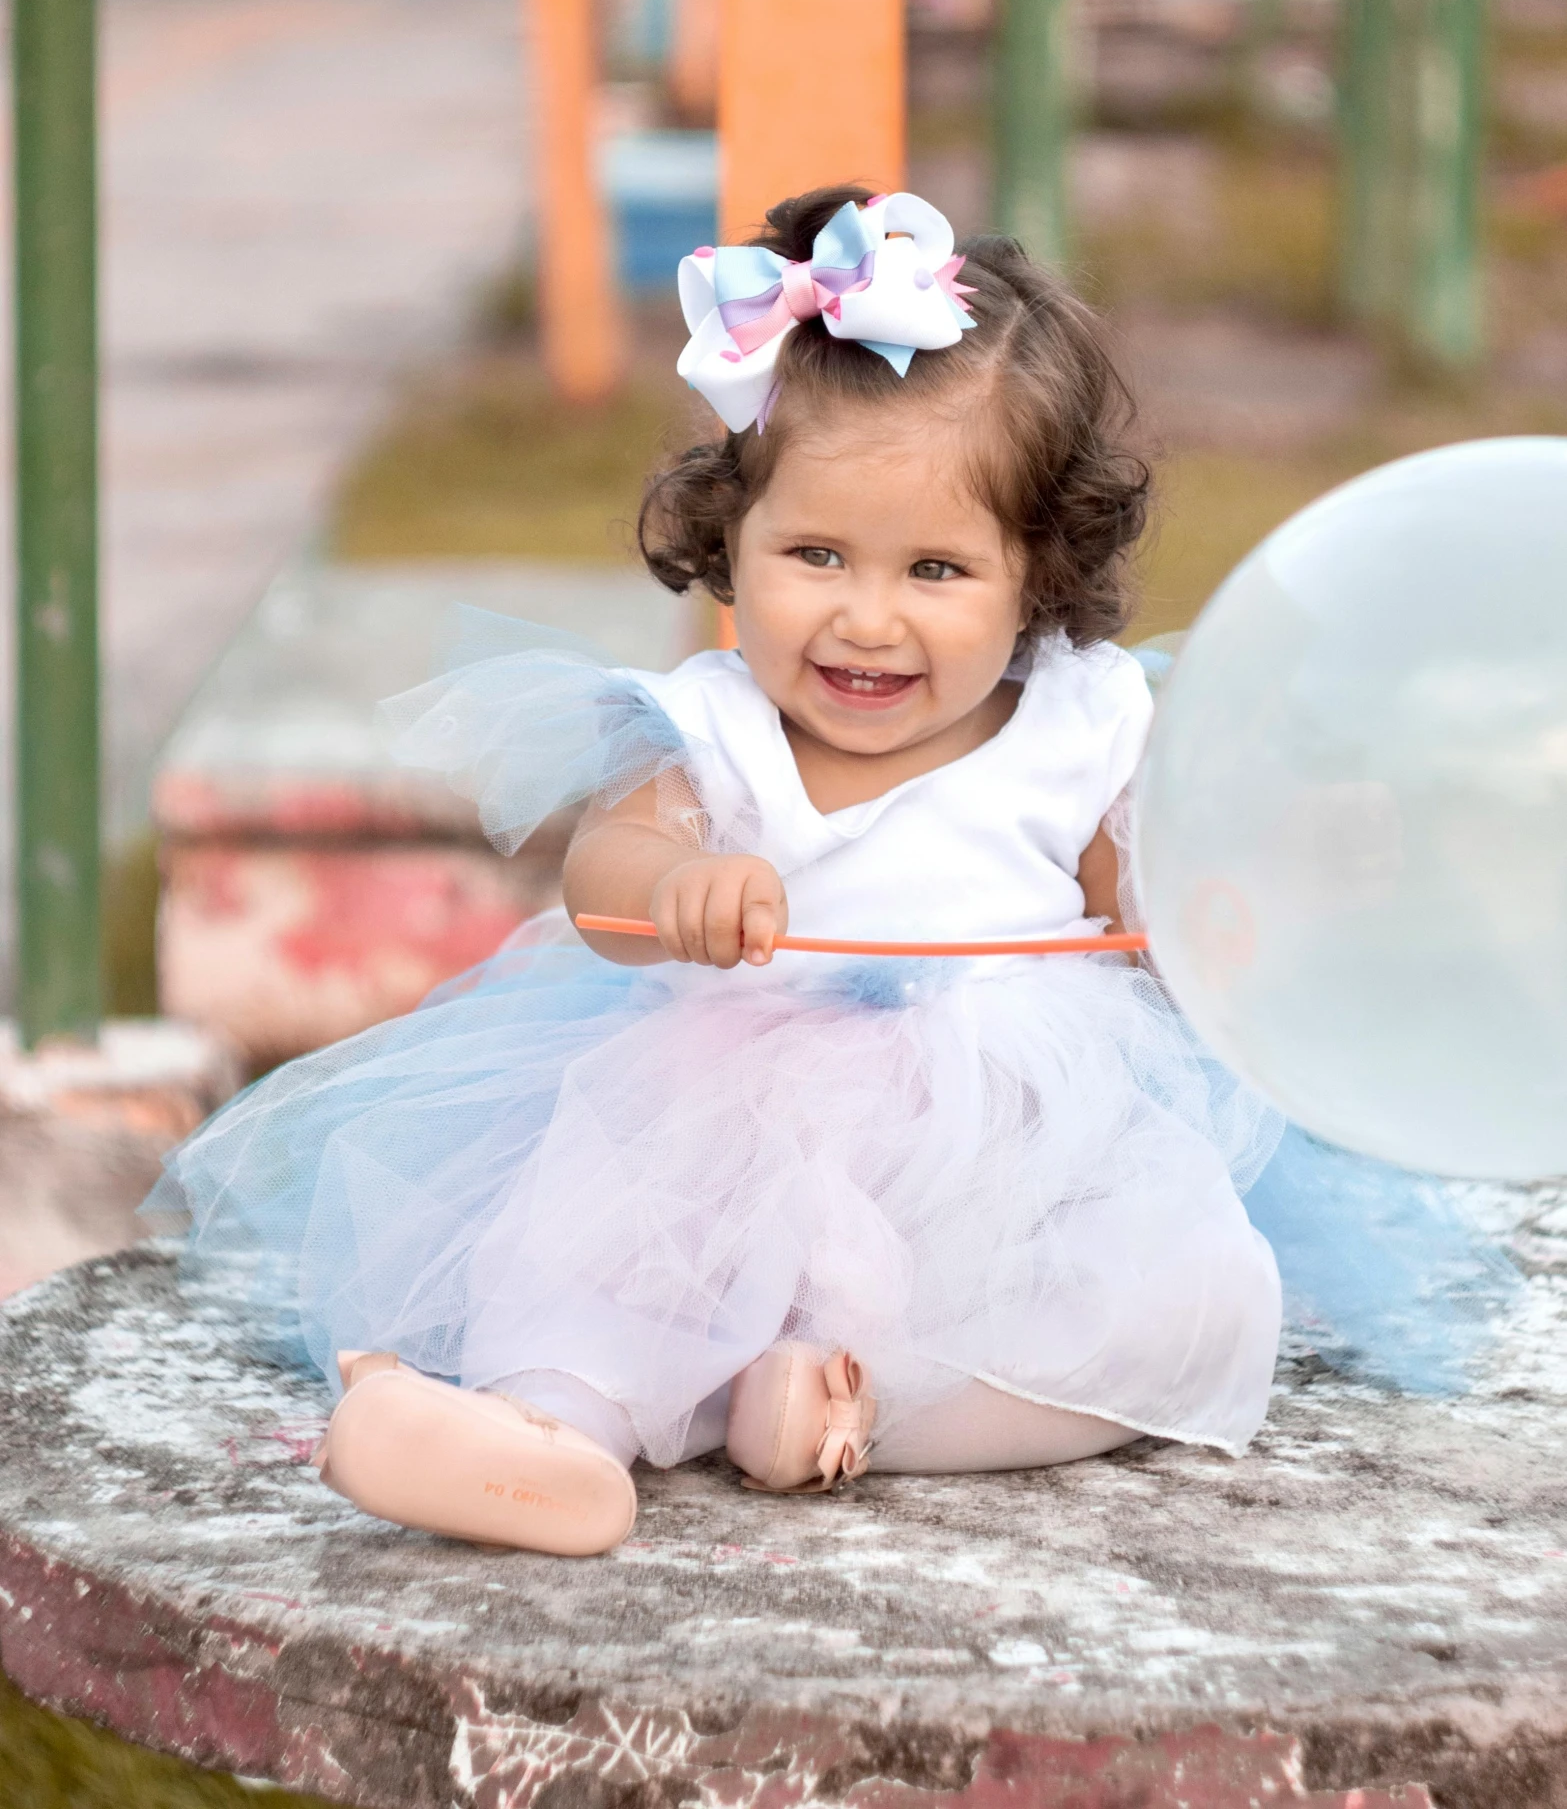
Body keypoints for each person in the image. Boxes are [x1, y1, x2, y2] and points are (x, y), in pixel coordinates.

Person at [151, 186, 1492, 1560]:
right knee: (587, 1254)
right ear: (729, 536)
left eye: (933, 566)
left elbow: (1144, 903)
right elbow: (606, 877)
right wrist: (672, 888)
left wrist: (1258, 882)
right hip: (728, 1113)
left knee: (1188, 1294)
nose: (865, 615)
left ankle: (835, 1396)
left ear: (1035, 573)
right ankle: (546, 1428)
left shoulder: (1081, 723)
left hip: (1016, 1137)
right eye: (812, 555)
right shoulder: (718, 725)